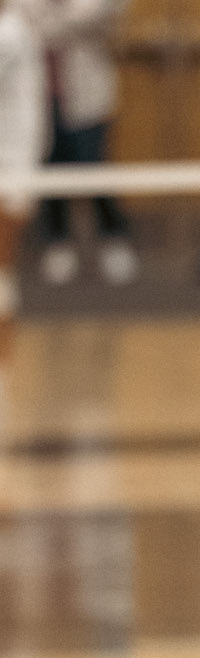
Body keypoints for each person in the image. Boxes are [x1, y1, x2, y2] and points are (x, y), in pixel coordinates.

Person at [35, 0, 136, 286]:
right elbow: (22, 16)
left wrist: (52, 22)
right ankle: (58, 242)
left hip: (88, 92)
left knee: (93, 166)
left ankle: (114, 236)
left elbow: (103, 11)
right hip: (43, 92)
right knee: (52, 166)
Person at [0, 0, 45, 377]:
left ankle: (4, 359)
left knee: (2, 267)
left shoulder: (11, 34)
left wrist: (23, 172)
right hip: (16, 162)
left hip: (10, 165)